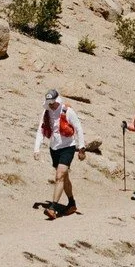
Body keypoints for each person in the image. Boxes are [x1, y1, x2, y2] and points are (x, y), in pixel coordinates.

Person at [34, 87, 86, 218]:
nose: (51, 105)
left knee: (59, 176)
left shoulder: (67, 111)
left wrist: (81, 148)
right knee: (64, 178)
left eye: (52, 102)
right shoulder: (46, 112)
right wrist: (37, 148)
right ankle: (72, 203)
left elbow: (78, 128)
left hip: (68, 147)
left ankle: (53, 208)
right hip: (54, 148)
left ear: (57, 100)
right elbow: (40, 130)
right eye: (49, 103)